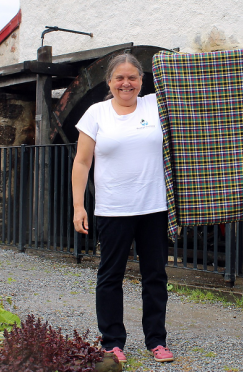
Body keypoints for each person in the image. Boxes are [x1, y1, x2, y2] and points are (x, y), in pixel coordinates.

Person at [71, 53, 174, 364]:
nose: (126, 83)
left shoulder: (157, 105)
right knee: (110, 276)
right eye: (120, 78)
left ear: (141, 81)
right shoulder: (96, 113)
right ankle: (113, 342)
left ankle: (156, 340)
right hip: (113, 209)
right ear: (110, 82)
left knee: (155, 275)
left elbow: (195, 90)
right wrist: (79, 205)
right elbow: (82, 161)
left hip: (153, 206)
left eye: (132, 78)